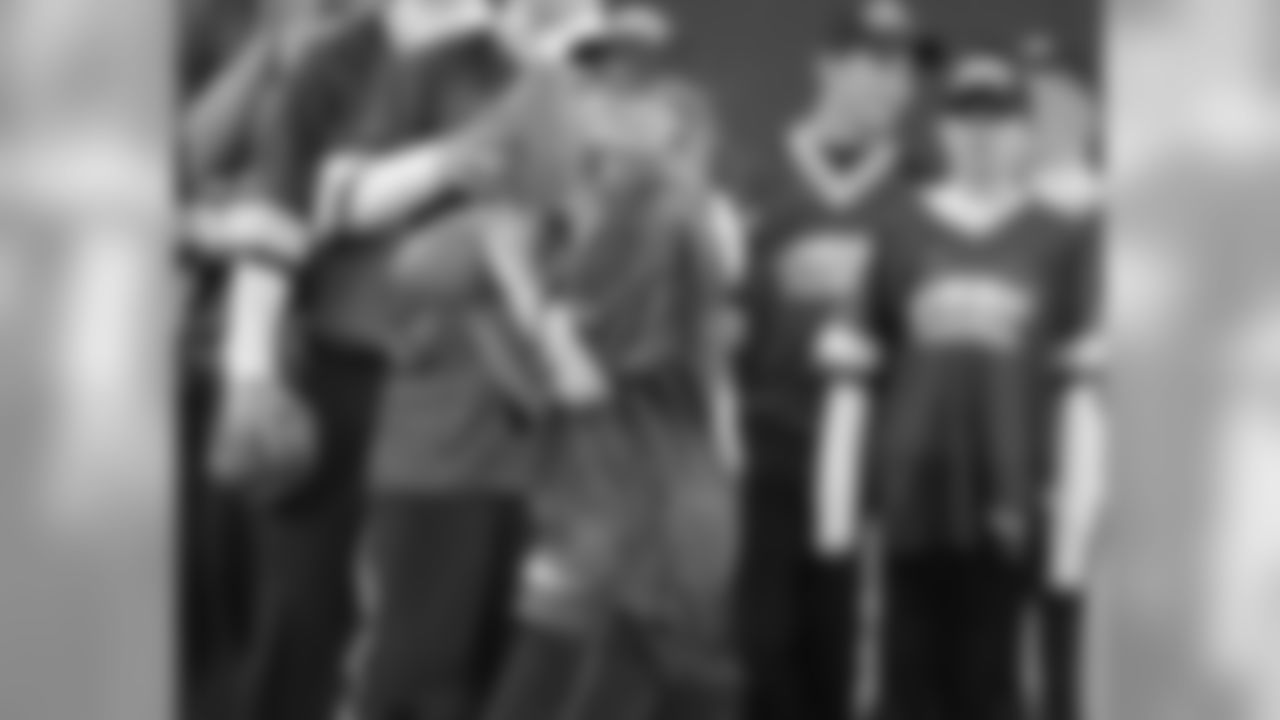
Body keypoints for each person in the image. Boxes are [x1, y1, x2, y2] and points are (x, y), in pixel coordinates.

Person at [202, 1, 510, 718]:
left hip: (469, 395)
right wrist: (249, 373)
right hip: (343, 372)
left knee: (436, 642)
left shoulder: (517, 60)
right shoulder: (338, 60)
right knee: (302, 616)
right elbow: (275, 221)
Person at [818, 51, 1101, 720]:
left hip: (1013, 490)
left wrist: (1075, 527)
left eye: (999, 121)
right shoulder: (897, 229)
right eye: (966, 120)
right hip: (910, 492)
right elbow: (853, 377)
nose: (982, 137)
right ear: (942, 130)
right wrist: (835, 513)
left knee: (994, 678)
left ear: (1024, 133)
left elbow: (1078, 390)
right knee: (906, 675)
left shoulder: (1061, 239)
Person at [459, 65, 742, 720]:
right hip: (634, 505)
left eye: (619, 99)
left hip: (635, 514)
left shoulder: (655, 220)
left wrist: (513, 274)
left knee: (552, 692)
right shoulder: (626, 224)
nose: (598, 112)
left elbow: (583, 383)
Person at [736, 2, 932, 718]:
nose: (895, 83)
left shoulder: (924, 186)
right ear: (826, 65)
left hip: (876, 457)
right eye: (876, 62)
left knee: (847, 654)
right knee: (761, 646)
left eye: (907, 68)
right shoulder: (755, 175)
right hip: (769, 446)